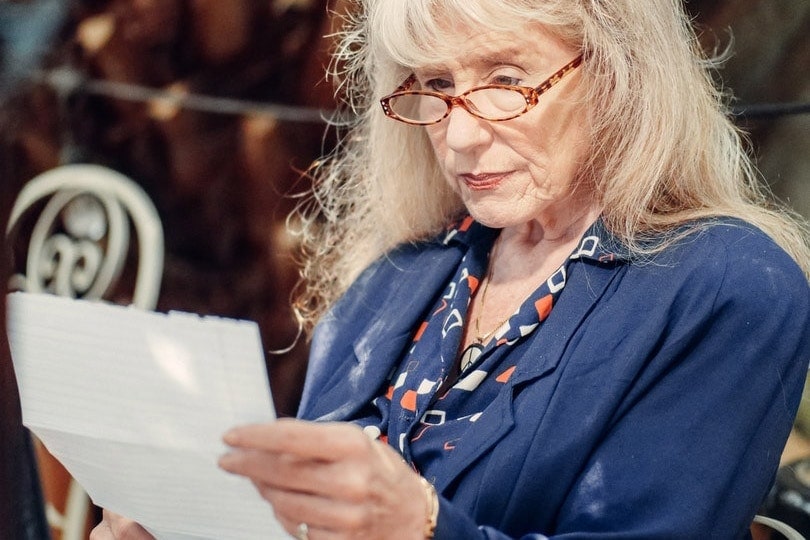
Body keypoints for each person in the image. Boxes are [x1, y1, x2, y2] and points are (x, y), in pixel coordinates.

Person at [93, 0, 810, 538]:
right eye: (434, 83)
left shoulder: (727, 284)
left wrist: (423, 525)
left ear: (621, 74)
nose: (460, 134)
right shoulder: (401, 278)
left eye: (506, 78)